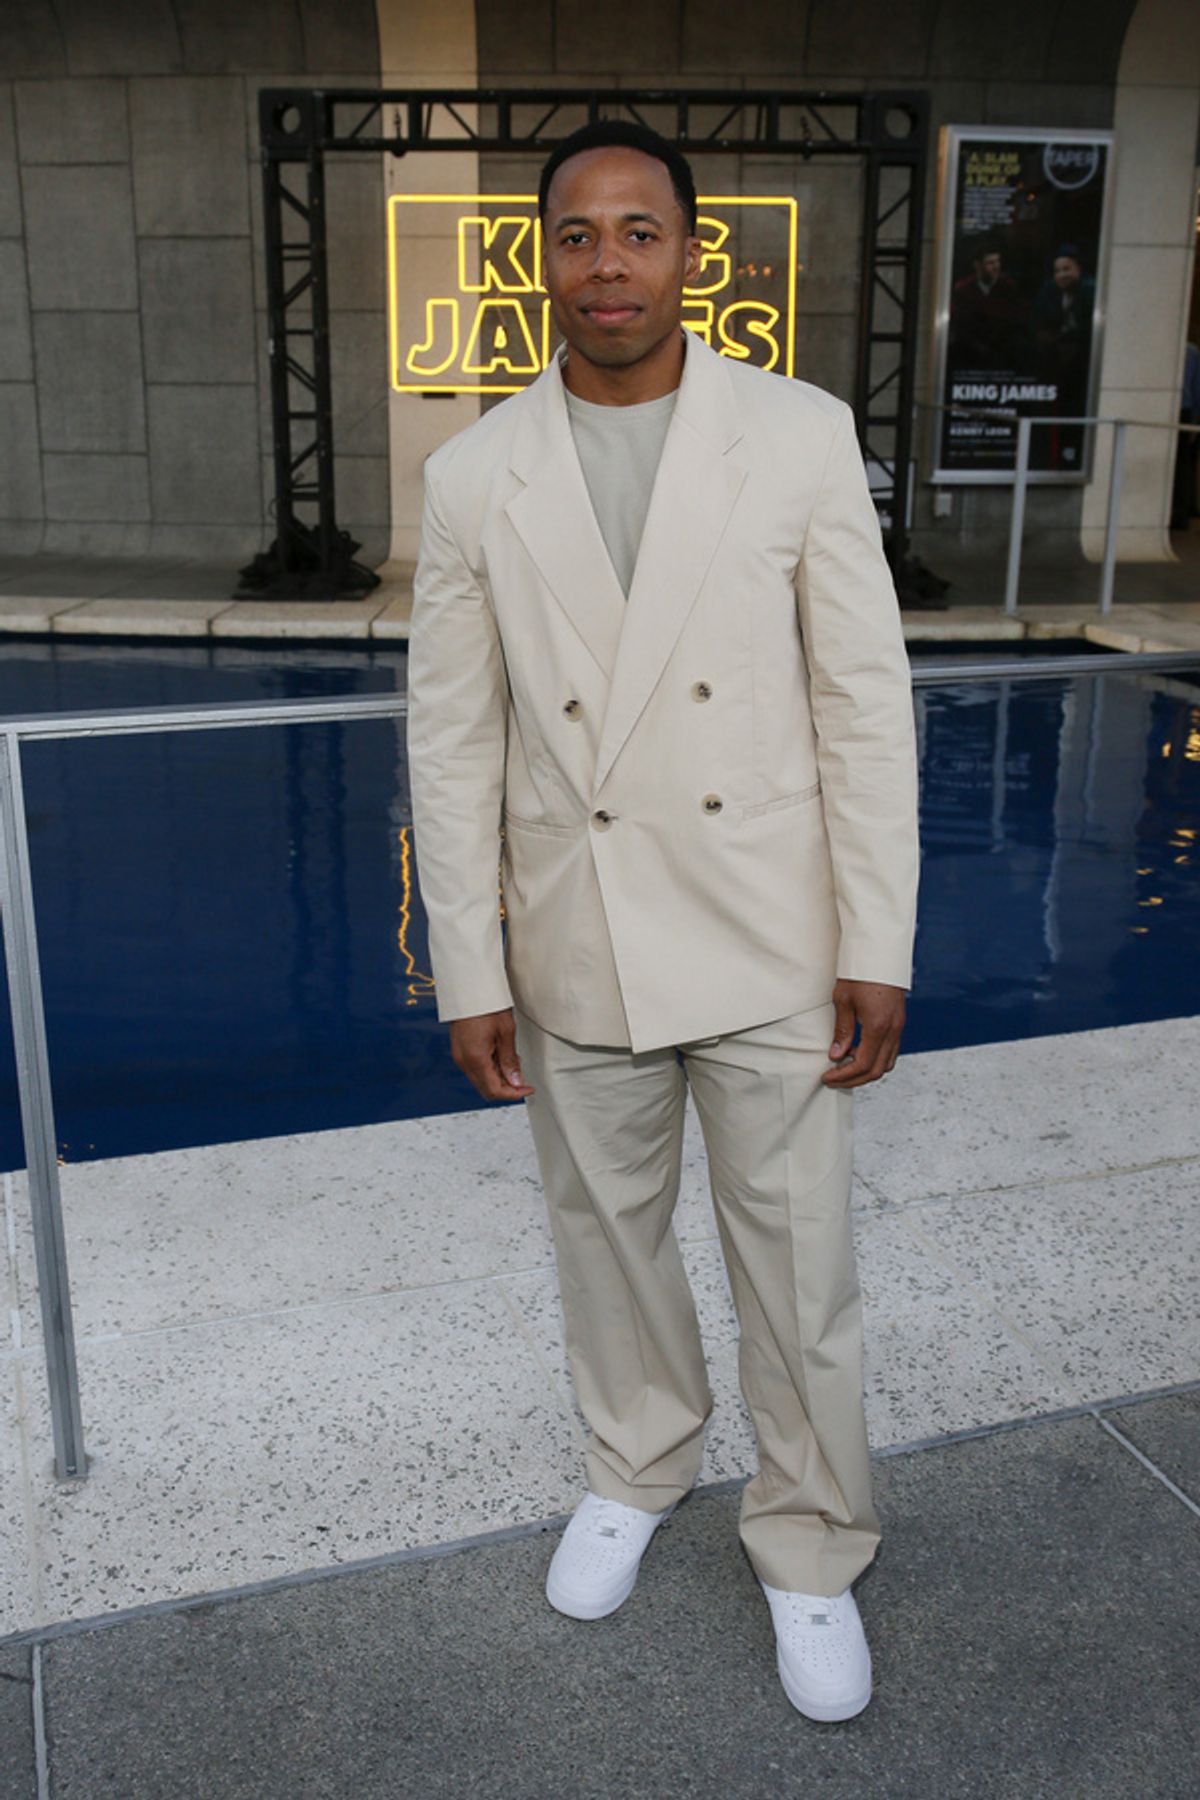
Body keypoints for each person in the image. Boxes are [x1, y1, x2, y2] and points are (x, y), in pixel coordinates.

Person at [406, 119, 919, 1724]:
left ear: (693, 254)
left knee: (799, 1264)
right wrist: (469, 962)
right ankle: (638, 1461)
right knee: (604, 1240)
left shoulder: (801, 435)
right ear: (541, 261)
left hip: (768, 928)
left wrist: (878, 941)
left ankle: (812, 1541)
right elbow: (453, 741)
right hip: (580, 937)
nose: (607, 263)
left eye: (639, 232)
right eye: (577, 235)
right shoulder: (473, 474)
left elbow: (863, 702)